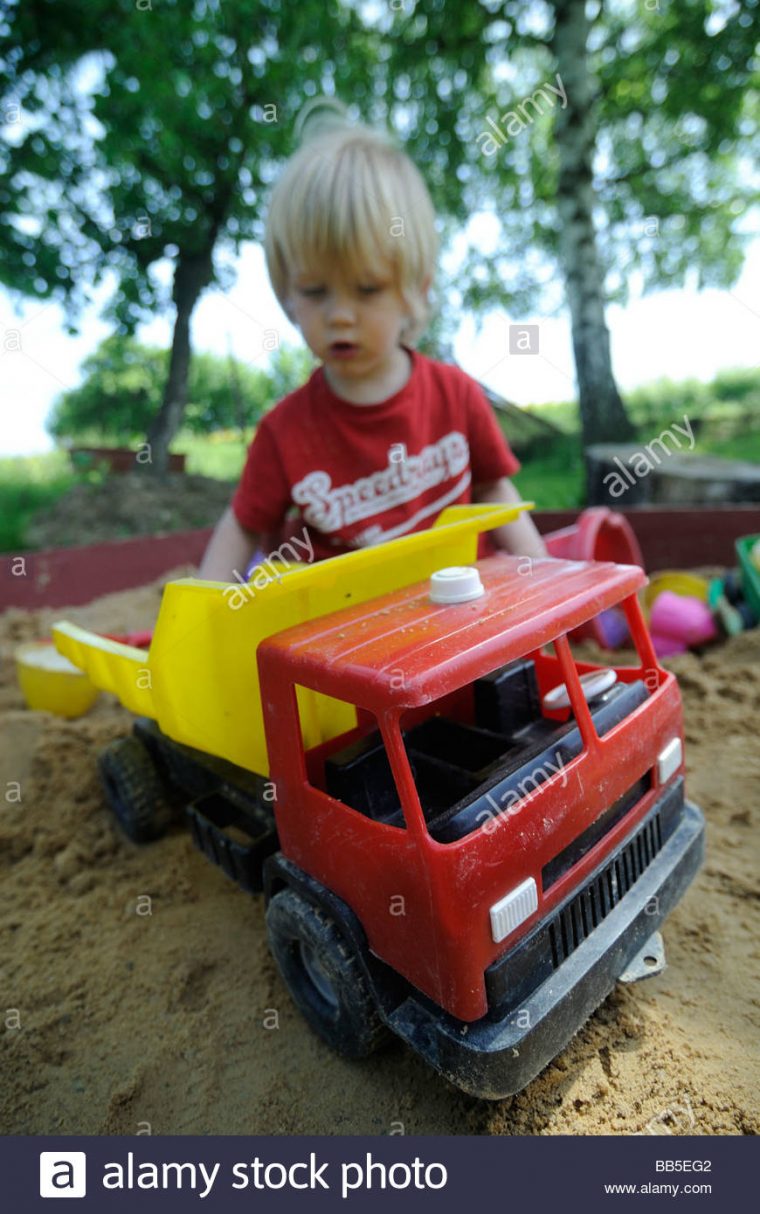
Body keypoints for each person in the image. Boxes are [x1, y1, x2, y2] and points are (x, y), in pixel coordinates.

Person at [199, 101, 546, 582]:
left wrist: (549, 578)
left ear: (414, 291)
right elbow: (241, 527)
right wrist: (202, 611)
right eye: (314, 291)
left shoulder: (456, 398)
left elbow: (495, 492)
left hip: (460, 625)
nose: (340, 315)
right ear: (286, 292)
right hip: (344, 641)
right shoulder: (284, 435)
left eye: (367, 289)